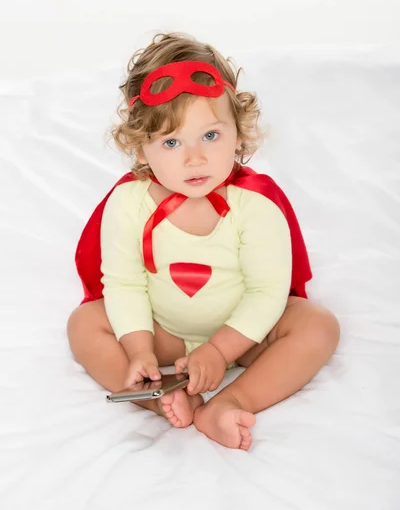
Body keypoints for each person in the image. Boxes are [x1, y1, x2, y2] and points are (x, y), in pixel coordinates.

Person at [67, 32, 340, 451]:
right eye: (172, 142)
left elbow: (266, 291)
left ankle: (230, 401)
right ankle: (161, 398)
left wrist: (219, 350)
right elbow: (124, 283)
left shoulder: (256, 206)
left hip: (247, 334)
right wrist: (140, 349)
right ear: (141, 149)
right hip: (166, 333)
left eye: (211, 136)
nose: (195, 158)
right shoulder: (127, 203)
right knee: (85, 324)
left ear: (238, 132)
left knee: (317, 325)